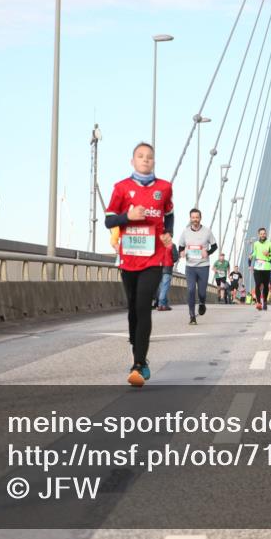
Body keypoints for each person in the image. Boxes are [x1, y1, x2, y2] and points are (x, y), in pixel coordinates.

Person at [104, 142, 174, 387]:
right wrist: (128, 217)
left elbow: (169, 215)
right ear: (132, 161)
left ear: (154, 161)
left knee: (144, 305)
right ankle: (137, 345)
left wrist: (169, 234)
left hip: (154, 257)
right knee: (133, 307)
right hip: (129, 257)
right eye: (141, 156)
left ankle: (138, 363)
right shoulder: (121, 188)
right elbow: (109, 220)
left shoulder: (164, 188)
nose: (146, 160)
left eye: (150, 157)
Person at [178, 208, 217, 325]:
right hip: (190, 267)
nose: (195, 219)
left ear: (200, 218)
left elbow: (215, 246)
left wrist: (208, 253)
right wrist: (182, 253)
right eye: (193, 217)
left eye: (197, 217)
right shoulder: (185, 232)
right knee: (190, 290)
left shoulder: (207, 231)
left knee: (202, 293)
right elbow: (180, 246)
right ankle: (191, 316)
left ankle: (202, 303)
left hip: (203, 266)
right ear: (190, 218)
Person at [249, 227, 271, 310]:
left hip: (266, 266)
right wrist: (251, 256)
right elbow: (255, 252)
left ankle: (265, 302)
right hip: (257, 266)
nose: (262, 235)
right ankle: (258, 302)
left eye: (264, 233)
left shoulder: (270, 244)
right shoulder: (256, 243)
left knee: (266, 286)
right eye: (261, 234)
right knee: (257, 284)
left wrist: (268, 254)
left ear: (266, 234)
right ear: (258, 235)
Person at [155, 232, 177, 312]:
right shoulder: (172, 245)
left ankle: (165, 305)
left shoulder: (157, 245)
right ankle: (161, 304)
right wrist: (170, 260)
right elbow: (175, 257)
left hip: (158, 267)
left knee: (161, 287)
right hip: (167, 268)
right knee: (164, 287)